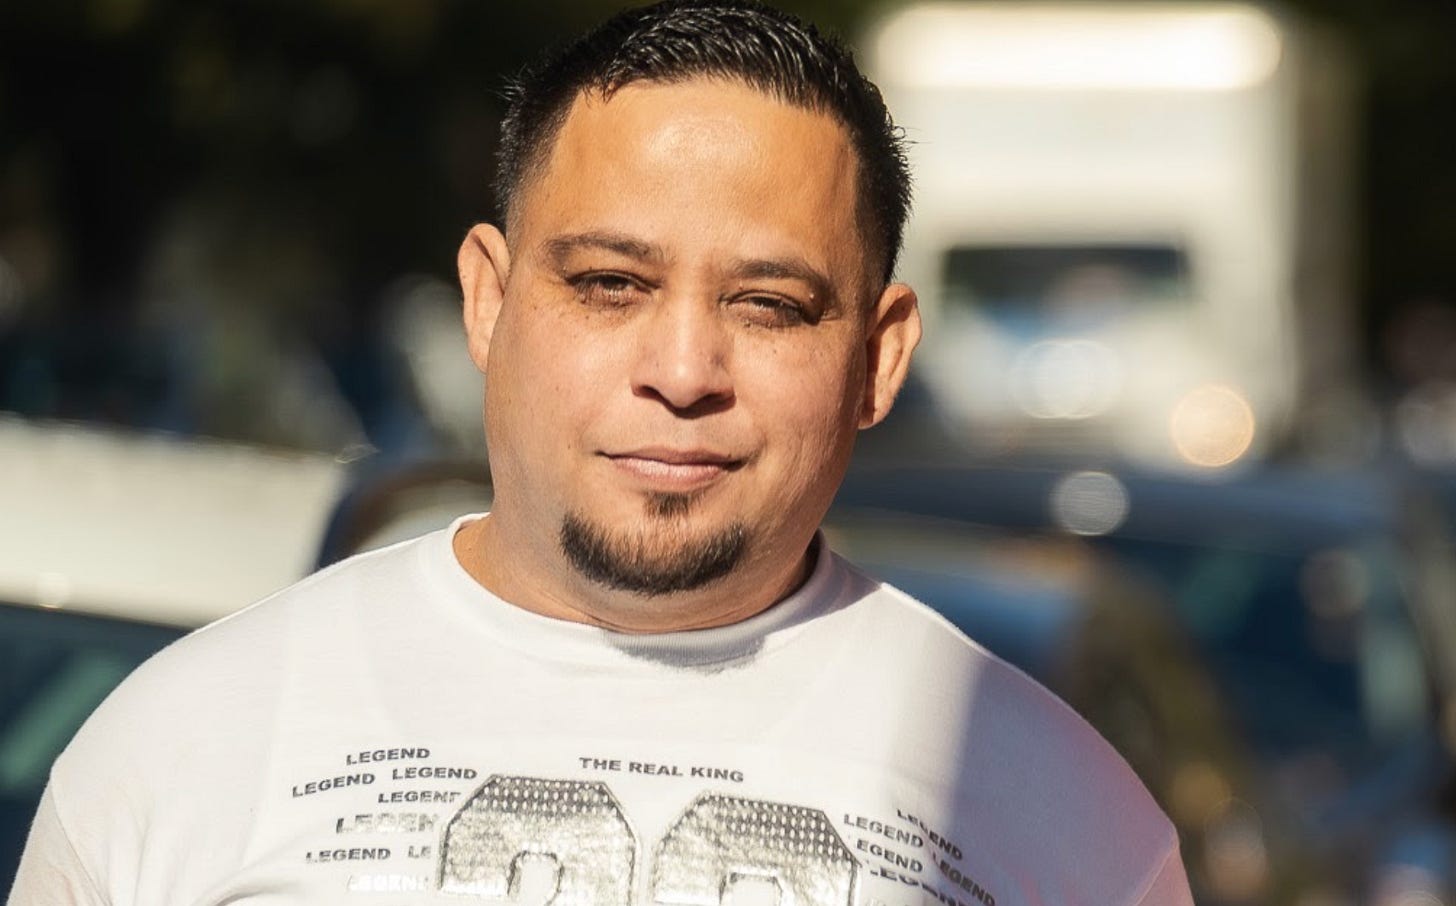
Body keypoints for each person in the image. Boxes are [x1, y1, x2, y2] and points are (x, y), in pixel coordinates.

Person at [8, 1, 1194, 903]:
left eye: (770, 305)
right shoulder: (180, 745)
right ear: (488, 301)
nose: (681, 371)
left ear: (879, 357)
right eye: (610, 285)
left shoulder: (1068, 823)